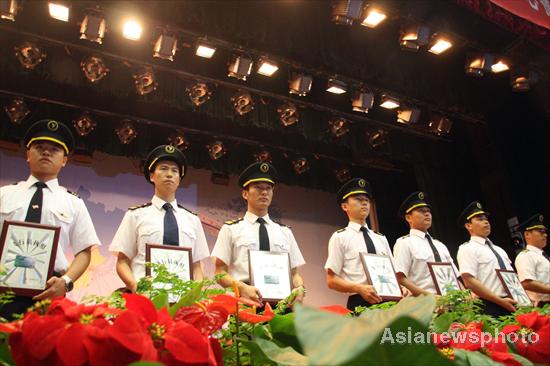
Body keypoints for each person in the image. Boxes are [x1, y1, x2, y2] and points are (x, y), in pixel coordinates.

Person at [0, 119, 99, 319]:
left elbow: (84, 251)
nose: (46, 152)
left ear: (64, 160)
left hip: (49, 289)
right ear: (27, 155)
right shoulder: (4, 194)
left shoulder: (74, 203)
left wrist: (67, 281)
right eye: (39, 147)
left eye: (54, 149)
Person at [109, 145, 210, 292]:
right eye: (163, 168)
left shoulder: (193, 220)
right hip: (143, 298)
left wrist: (195, 294)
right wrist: (135, 287)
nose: (169, 174)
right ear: (152, 176)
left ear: (179, 180)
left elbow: (197, 267)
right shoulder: (135, 215)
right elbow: (122, 261)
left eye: (174, 171)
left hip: (183, 302)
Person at [211, 162, 305, 306]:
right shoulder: (230, 229)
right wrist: (241, 288)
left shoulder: (285, 232)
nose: (264, 192)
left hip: (282, 305)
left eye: (268, 188)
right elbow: (220, 273)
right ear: (245, 193)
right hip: (244, 302)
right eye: (258, 187)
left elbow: (294, 274)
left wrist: (300, 289)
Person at [325, 178, 392, 311]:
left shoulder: (381, 238)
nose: (364, 203)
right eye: (358, 199)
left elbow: (393, 273)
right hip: (360, 301)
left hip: (390, 299)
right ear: (345, 206)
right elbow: (331, 280)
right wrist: (358, 288)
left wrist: (402, 288)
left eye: (366, 200)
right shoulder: (340, 237)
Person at [456, 201, 517, 317]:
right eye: (479, 219)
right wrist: (500, 301)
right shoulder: (467, 248)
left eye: (486, 219)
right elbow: (469, 281)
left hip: (513, 302)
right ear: (468, 226)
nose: (486, 222)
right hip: (491, 305)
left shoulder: (499, 250)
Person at [393, 192, 458, 296]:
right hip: (424, 304)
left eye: (428, 211)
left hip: (452, 302)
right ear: (408, 218)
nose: (427, 214)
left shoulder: (440, 245)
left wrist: (465, 295)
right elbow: (400, 278)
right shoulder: (404, 243)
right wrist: (430, 297)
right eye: (421, 211)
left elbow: (455, 276)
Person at [514, 214, 549, 307]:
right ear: (527, 234)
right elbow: (527, 283)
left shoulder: (544, 257)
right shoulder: (525, 256)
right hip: (544, 305)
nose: (545, 235)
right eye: (540, 232)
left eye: (545, 232)